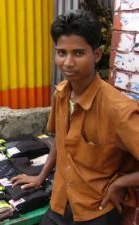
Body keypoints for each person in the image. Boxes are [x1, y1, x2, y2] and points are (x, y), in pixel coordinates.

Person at [11, 9, 139, 225]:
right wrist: (41, 176)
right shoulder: (61, 93)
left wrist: (121, 184)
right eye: (62, 53)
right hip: (60, 201)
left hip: (97, 210)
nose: (68, 62)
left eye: (78, 53)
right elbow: (60, 141)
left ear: (96, 54)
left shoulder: (119, 110)